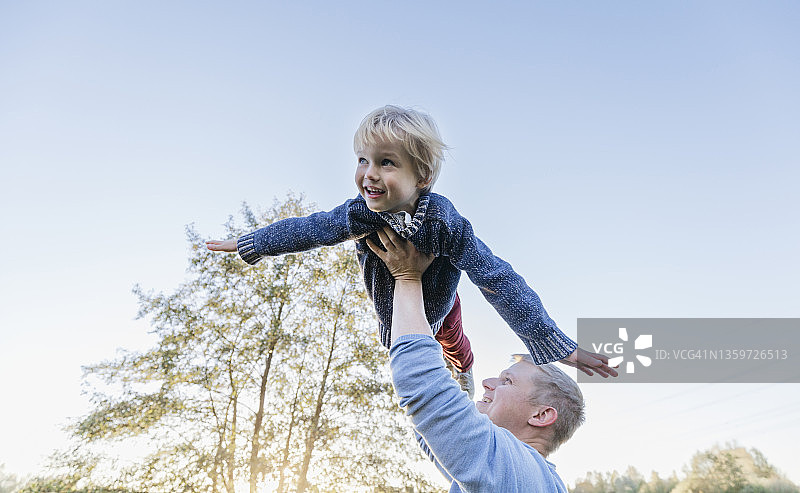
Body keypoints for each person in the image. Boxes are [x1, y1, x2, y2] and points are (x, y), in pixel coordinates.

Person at [206, 105, 613, 397]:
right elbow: (310, 229)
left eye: (386, 163)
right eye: (363, 160)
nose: (368, 174)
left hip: (440, 301)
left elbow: (497, 278)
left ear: (422, 176)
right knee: (408, 346)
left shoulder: (443, 223)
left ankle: (463, 371)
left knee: (452, 338)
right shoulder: (359, 214)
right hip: (395, 307)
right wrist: (254, 242)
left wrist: (557, 344)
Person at [368, 227, 599, 492]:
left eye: (507, 381)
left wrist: (407, 276)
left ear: (542, 415)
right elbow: (430, 433)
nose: (489, 382)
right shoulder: (525, 479)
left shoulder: (516, 471)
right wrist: (459, 386)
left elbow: (423, 389)